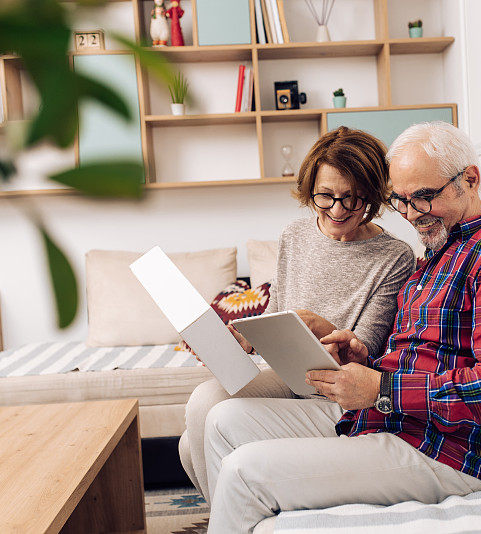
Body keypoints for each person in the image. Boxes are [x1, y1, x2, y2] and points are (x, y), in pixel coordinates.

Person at [202, 121, 481, 534]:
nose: (411, 215)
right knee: (221, 420)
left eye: (424, 197)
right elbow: (421, 356)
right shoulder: (436, 254)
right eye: (401, 201)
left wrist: (382, 389)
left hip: (445, 450)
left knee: (243, 473)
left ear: (470, 178)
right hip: (387, 418)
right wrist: (365, 358)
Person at [178, 126, 416, 501]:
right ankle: (233, 516)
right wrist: (237, 339)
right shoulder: (295, 235)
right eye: (326, 196)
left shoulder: (394, 256)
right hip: (287, 375)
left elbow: (367, 344)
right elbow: (273, 313)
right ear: (310, 189)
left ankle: (238, 514)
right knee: (191, 434)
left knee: (203, 423)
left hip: (334, 390)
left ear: (371, 196)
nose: (337, 210)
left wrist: (326, 329)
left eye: (352, 199)